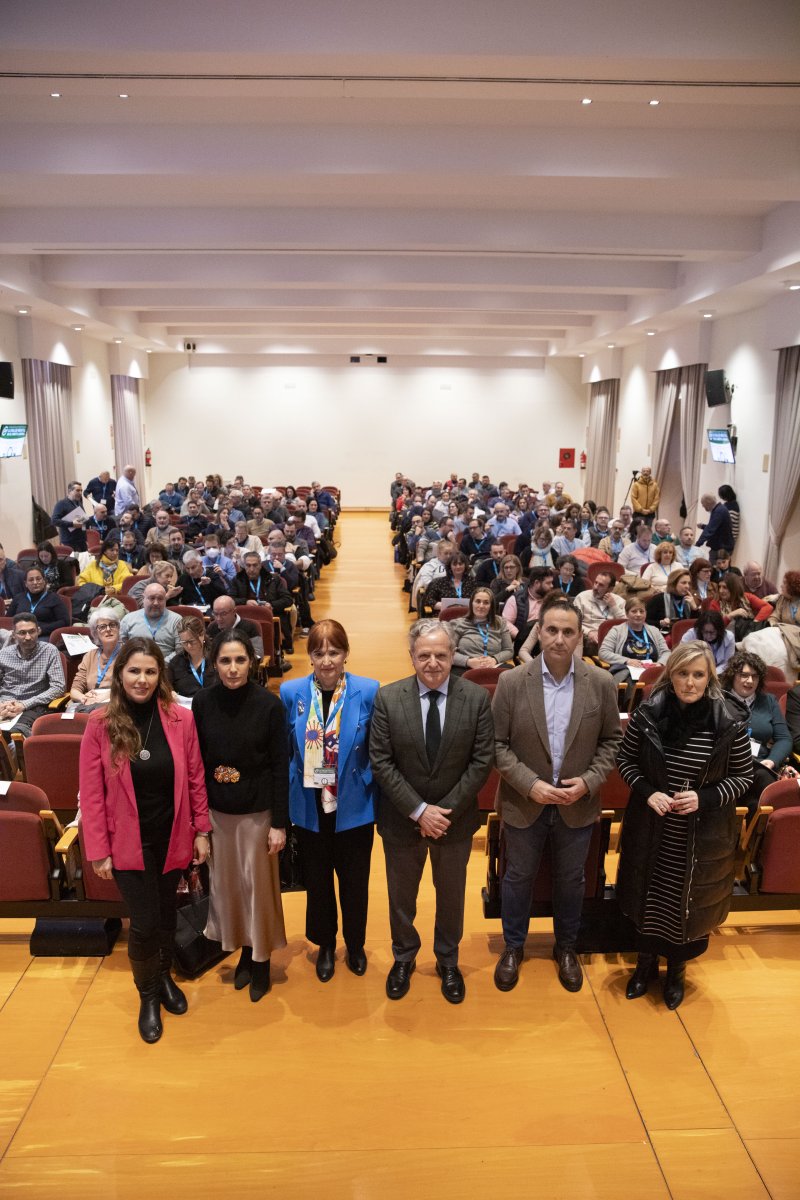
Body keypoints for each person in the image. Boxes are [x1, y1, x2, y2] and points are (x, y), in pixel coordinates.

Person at [79, 638, 211, 1041]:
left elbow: (195, 778)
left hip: (172, 836)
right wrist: (98, 850)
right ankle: (149, 995)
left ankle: (166, 977)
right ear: (120, 674)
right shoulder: (100, 724)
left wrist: (202, 830)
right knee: (145, 922)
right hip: (126, 844)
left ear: (161, 675)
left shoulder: (179, 719)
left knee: (169, 914)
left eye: (150, 671)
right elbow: (92, 792)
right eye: (134, 670)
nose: (142, 679)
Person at [492, 596, 622, 993]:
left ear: (580, 635)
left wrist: (588, 781)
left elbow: (611, 743)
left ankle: (566, 947)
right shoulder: (512, 682)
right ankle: (514, 947)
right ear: (539, 632)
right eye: (552, 630)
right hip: (524, 801)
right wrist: (531, 783)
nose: (560, 639)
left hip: (576, 803)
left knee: (571, 880)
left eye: (568, 631)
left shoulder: (600, 682)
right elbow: (497, 745)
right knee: (517, 878)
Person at [616, 643, 752, 1008]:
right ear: (670, 674)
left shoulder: (729, 721)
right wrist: (647, 792)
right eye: (682, 673)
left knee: (686, 905)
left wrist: (703, 798)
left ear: (710, 678)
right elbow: (625, 760)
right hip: (652, 826)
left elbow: (743, 777)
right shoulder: (648, 712)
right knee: (651, 899)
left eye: (698, 674)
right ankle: (644, 967)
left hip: (701, 834)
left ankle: (676, 971)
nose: (689, 683)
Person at [370, 619, 494, 1004]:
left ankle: (448, 960)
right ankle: (404, 957)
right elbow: (381, 761)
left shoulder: (475, 698)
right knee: (401, 897)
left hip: (454, 823)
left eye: (441, 655)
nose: (433, 663)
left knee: (451, 896)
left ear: (453, 656)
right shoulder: (388, 698)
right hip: (402, 819)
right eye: (424, 655)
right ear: (411, 657)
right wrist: (420, 811)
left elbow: (482, 761)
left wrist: (443, 813)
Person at [192, 630, 289, 1002]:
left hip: (257, 812)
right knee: (228, 889)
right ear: (214, 664)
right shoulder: (202, 702)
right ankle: (245, 952)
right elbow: (196, 763)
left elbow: (281, 767)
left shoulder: (268, 705)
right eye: (225, 661)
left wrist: (279, 823)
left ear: (252, 661)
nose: (233, 669)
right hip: (218, 812)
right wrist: (199, 821)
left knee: (258, 891)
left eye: (240, 660)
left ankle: (262, 959)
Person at [281, 620, 379, 981]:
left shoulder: (368, 690)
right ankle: (324, 943)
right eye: (319, 653)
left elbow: (376, 749)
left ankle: (354, 945)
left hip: (353, 803)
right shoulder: (292, 693)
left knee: (355, 881)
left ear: (346, 654)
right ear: (309, 656)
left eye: (334, 652)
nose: (326, 661)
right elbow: (288, 750)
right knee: (319, 882)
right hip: (309, 805)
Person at [719, 651, 793, 820]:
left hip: (760, 765)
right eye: (744, 675)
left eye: (755, 676)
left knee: (763, 785)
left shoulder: (768, 701)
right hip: (726, 765)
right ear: (732, 676)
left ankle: (757, 838)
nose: (749, 681)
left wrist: (772, 760)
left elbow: (784, 738)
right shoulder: (719, 699)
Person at [0, 613, 67, 738]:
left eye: (32, 632)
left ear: (39, 631)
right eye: (22, 633)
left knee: (15, 734)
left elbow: (58, 687)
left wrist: (24, 704)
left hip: (34, 705)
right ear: (13, 635)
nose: (28, 637)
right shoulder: (3, 654)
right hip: (4, 704)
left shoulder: (49, 651)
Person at [599, 595, 670, 702]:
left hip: (652, 671)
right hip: (627, 671)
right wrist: (627, 661)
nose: (638, 614)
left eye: (641, 611)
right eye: (634, 611)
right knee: (632, 685)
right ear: (627, 614)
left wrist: (659, 664)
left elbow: (666, 652)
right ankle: (632, 711)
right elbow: (603, 652)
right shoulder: (617, 631)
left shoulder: (654, 631)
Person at [451, 588, 514, 675]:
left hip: (493, 666)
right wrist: (468, 661)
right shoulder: (458, 624)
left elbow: (509, 650)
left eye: (486, 602)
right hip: (465, 667)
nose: (481, 606)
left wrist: (494, 659)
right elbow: (447, 652)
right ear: (471, 603)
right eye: (478, 601)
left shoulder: (500, 622)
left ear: (491, 606)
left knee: (511, 674)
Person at [70, 606, 122, 710]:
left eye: (112, 625)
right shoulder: (90, 656)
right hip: (91, 704)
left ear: (118, 628)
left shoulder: (128, 653)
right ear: (95, 632)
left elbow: (129, 687)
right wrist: (83, 698)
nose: (108, 629)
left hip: (117, 703)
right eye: (102, 627)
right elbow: (75, 690)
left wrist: (104, 697)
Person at [120, 582, 182, 661]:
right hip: (135, 666)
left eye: (160, 599)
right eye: (152, 598)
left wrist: (162, 664)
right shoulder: (128, 619)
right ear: (143, 598)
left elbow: (180, 650)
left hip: (167, 669)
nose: (156, 603)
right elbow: (120, 647)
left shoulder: (176, 620)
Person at [573, 566, 626, 655]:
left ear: (610, 589)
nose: (595, 587)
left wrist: (613, 607)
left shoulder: (619, 601)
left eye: (601, 585)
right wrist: (589, 632)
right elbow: (574, 622)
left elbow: (626, 625)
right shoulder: (582, 597)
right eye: (595, 583)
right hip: (587, 636)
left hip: (611, 637)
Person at [9, 566, 69, 638]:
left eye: (38, 579)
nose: (35, 582)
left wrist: (42, 629)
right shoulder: (18, 598)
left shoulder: (54, 598)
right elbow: (7, 619)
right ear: (25, 584)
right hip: (20, 636)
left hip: (44, 635)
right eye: (31, 580)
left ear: (44, 581)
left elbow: (64, 621)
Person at [167, 615, 218, 698]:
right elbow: (168, 689)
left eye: (192, 641)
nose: (189, 646)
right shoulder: (175, 663)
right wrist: (171, 693)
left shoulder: (216, 656)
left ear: (202, 634)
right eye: (184, 642)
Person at [207, 595, 264, 660]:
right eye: (215, 614)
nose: (218, 618)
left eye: (223, 614)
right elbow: (206, 652)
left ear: (234, 612)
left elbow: (258, 655)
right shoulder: (212, 627)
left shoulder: (250, 627)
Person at [645, 568, 699, 635]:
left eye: (689, 583)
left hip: (686, 636)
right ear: (673, 584)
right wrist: (660, 623)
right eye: (683, 583)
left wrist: (694, 608)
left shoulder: (689, 600)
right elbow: (646, 621)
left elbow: (697, 625)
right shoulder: (658, 599)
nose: (687, 586)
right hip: (664, 636)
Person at [52, 480, 88, 552]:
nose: (80, 493)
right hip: (69, 541)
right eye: (77, 490)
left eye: (81, 490)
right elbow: (54, 521)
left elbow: (83, 518)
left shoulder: (79, 503)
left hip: (81, 541)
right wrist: (72, 524)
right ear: (70, 491)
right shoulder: (61, 504)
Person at [696, 493, 733, 562]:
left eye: (703, 504)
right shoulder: (720, 509)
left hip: (721, 548)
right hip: (723, 547)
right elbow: (717, 528)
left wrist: (697, 545)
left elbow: (710, 530)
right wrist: (703, 526)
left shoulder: (718, 511)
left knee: (713, 569)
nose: (703, 506)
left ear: (708, 502)